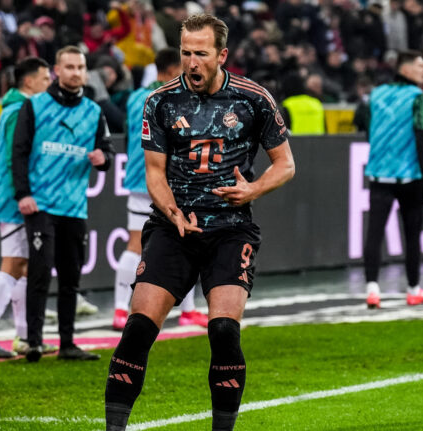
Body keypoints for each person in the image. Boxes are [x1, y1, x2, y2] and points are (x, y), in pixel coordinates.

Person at [104, 14, 295, 431]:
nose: (191, 63)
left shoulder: (252, 98)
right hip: (174, 228)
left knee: (224, 330)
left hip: (230, 229)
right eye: (185, 53)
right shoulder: (160, 100)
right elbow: (154, 172)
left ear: (221, 55)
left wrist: (252, 190)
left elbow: (285, 165)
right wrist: (172, 212)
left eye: (201, 54)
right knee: (137, 328)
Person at [12, 45, 115, 363]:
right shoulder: (35, 106)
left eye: (80, 67)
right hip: (41, 204)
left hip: (74, 206)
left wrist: (103, 159)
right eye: (69, 67)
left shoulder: (94, 111)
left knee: (71, 277)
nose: (75, 73)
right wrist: (23, 194)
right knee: (40, 273)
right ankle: (33, 341)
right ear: (56, 70)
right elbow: (18, 152)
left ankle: (68, 343)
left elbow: (107, 152)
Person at [113, 47, 209, 331]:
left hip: (138, 177)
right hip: (167, 182)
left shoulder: (134, 98)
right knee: (175, 241)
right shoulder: (173, 98)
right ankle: (125, 308)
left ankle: (121, 309)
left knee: (140, 242)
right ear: (171, 70)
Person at [0, 57, 52, 359]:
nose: (49, 83)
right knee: (12, 264)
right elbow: (14, 157)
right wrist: (23, 192)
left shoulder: (15, 107)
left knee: (23, 266)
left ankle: (24, 335)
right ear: (29, 81)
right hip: (13, 199)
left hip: (12, 196)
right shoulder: (19, 110)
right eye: (45, 78)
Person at [362, 50, 423, 309]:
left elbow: (367, 128)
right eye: (420, 65)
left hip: (379, 172)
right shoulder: (419, 98)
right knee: (412, 234)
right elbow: (422, 137)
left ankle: (372, 289)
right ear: (405, 69)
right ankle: (413, 289)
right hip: (410, 175)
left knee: (374, 232)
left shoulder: (376, 94)